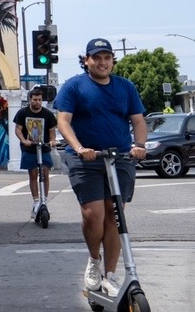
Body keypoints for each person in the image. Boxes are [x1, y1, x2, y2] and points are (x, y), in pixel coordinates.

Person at [54, 38, 147, 299]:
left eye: (107, 57)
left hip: (120, 158)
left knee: (115, 214)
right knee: (92, 214)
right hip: (87, 159)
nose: (102, 62)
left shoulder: (125, 87)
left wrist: (139, 144)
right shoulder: (74, 86)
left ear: (112, 60)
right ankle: (94, 260)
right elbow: (63, 121)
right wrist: (80, 147)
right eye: (97, 57)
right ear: (86, 60)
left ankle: (111, 274)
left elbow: (138, 120)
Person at [13, 87, 57, 216]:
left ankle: (44, 200)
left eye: (40, 100)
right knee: (33, 174)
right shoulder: (22, 113)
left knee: (45, 172)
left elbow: (52, 132)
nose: (37, 102)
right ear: (30, 100)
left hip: (44, 148)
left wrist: (53, 141)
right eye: (35, 100)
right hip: (29, 148)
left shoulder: (48, 114)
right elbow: (18, 130)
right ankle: (36, 201)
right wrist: (23, 140)